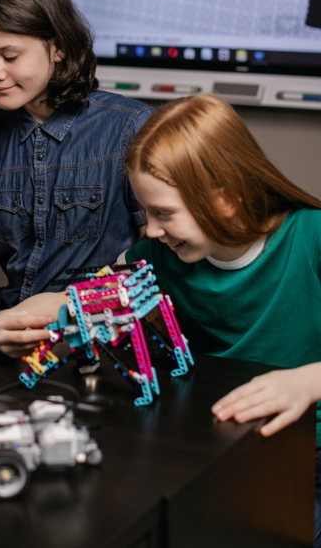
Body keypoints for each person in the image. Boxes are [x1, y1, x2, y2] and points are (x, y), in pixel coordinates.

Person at [119, 92, 321, 546]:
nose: (150, 230)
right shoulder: (156, 255)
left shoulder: (312, 236)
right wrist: (48, 307)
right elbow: (103, 292)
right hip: (219, 457)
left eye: (164, 214)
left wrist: (308, 382)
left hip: (308, 458)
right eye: (147, 213)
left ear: (225, 201)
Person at [0, 0, 153, 346]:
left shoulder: (130, 128)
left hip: (103, 337)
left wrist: (66, 306)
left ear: (57, 47)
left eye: (9, 56)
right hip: (12, 333)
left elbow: (154, 266)